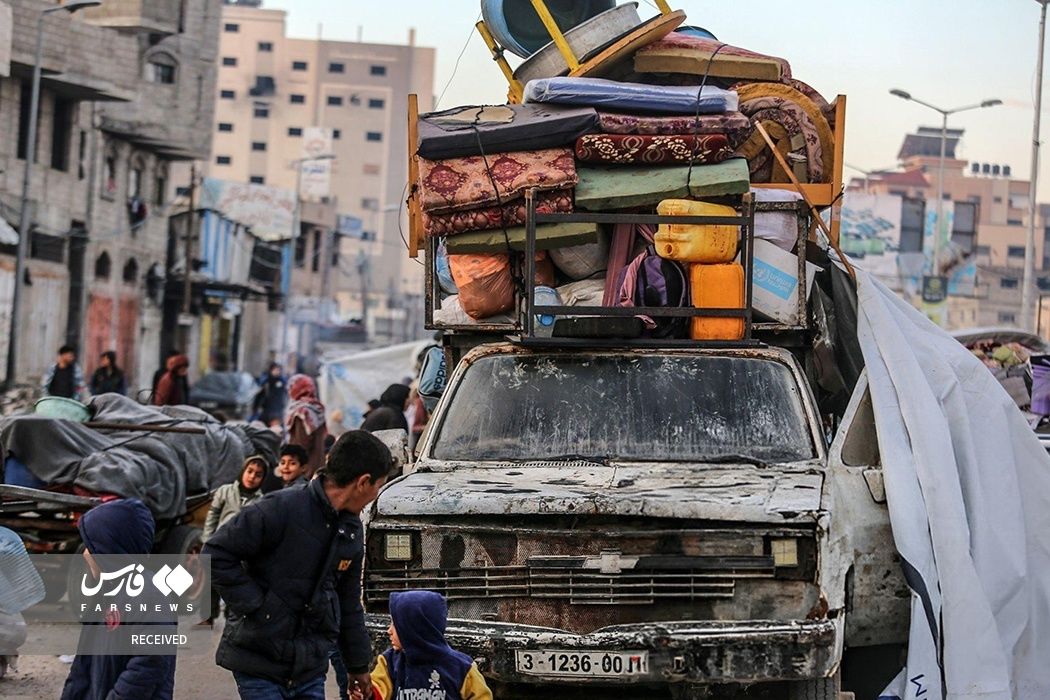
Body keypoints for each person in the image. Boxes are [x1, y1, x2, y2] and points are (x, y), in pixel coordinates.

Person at [203, 430, 394, 700]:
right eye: (378, 486)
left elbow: (348, 601)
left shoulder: (351, 530)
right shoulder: (279, 508)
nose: (376, 495)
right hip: (259, 662)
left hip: (309, 668)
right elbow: (216, 553)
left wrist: (358, 666)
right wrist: (258, 606)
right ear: (363, 482)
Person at [60, 499, 176, 700]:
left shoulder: (150, 595)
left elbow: (148, 664)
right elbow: (83, 665)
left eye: (91, 546)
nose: (86, 554)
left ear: (110, 552)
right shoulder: (105, 592)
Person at [356, 590, 491, 700]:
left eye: (395, 624)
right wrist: (364, 694)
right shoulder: (390, 663)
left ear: (413, 628)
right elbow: (376, 691)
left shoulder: (461, 667)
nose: (389, 630)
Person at [200, 456, 268, 626]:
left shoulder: (262, 501)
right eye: (249, 471)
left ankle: (232, 617)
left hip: (241, 551)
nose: (252, 477)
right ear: (242, 471)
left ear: (262, 479)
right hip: (219, 544)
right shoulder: (225, 491)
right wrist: (207, 539)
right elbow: (212, 516)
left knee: (235, 583)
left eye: (258, 475)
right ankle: (208, 617)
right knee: (211, 582)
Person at [285, 374, 328, 478]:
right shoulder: (316, 408)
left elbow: (301, 445)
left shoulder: (302, 412)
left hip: (304, 471)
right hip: (317, 466)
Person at [254, 363, 288, 428]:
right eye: (276, 370)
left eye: (279, 370)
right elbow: (259, 396)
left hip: (277, 412)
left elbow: (284, 396)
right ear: (271, 370)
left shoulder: (282, 382)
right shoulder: (266, 382)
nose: (277, 372)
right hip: (266, 411)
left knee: (276, 431)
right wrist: (256, 408)